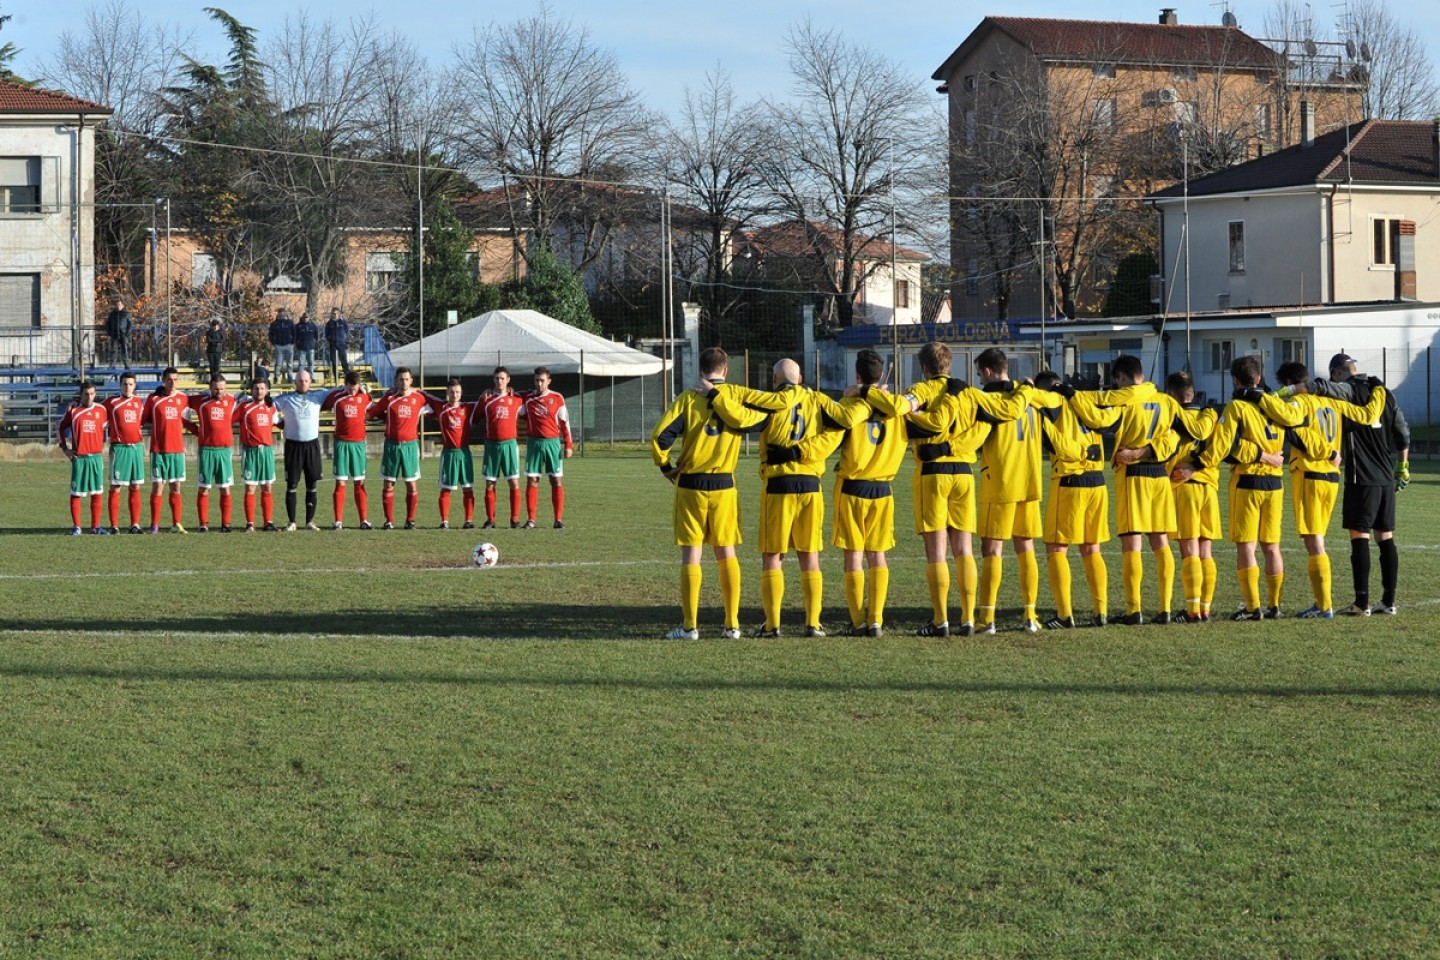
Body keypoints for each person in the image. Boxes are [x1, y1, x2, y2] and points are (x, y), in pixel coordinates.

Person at [709, 357, 868, 638]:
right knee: (810, 557)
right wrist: (866, 396)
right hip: (810, 485)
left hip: (779, 485)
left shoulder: (771, 403)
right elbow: (843, 424)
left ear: (774, 381)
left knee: (773, 556)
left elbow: (741, 419)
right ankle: (813, 624)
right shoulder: (818, 400)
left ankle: (772, 625)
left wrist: (714, 395)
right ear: (801, 377)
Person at [900, 342, 1027, 637]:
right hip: (964, 474)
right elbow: (1006, 411)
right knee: (964, 550)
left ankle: (940, 620)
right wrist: (1023, 388)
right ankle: (968, 619)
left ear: (925, 367)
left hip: (933, 473)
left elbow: (903, 410)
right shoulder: (970, 393)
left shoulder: (921, 389)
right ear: (949, 364)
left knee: (936, 552)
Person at [786, 348, 913, 637]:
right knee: (878, 555)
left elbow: (829, 440)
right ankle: (877, 620)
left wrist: (799, 453)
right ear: (881, 376)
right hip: (883, 488)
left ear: (857, 375)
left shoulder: (848, 404)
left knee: (854, 555)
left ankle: (858, 622)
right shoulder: (897, 410)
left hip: (853, 487)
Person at [650, 347, 768, 640]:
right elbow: (760, 421)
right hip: (724, 485)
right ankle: (732, 625)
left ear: (701, 372)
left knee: (692, 553)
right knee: (726, 552)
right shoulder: (736, 398)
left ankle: (690, 627)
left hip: (691, 484)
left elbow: (660, 437)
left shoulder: (689, 399)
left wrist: (665, 467)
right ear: (725, 371)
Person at [1282, 352, 1410, 616]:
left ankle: (1361, 603)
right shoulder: (1383, 393)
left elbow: (1325, 388)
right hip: (1386, 476)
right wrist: (1402, 467)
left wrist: (1291, 390)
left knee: (1359, 536)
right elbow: (1402, 432)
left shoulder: (1347, 390)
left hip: (1360, 476)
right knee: (1385, 537)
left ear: (1338, 372)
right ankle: (1389, 601)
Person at [1178, 356, 1305, 620]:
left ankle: (1252, 607)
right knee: (1272, 546)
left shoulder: (1236, 407)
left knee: (1247, 547)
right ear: (1258, 378)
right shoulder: (1278, 406)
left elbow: (1224, 446)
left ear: (1235, 381)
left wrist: (1197, 464)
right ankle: (1275, 605)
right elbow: (1293, 421)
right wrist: (1267, 455)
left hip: (1248, 482)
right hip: (1275, 483)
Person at [1069, 355, 1186, 625]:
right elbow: (1180, 433)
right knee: (1160, 543)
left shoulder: (1125, 400)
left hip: (1133, 476)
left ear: (1121, 378)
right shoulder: (1166, 401)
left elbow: (1098, 420)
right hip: (1159, 477)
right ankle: (1166, 608)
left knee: (1132, 544)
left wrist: (1073, 395)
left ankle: (1135, 610)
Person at [970, 348, 1054, 634]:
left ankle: (987, 618)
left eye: (980, 373)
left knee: (992, 549)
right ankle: (1031, 615)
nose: (980, 379)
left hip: (1001, 483)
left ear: (989, 371)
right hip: (1030, 481)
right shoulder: (1029, 397)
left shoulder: (989, 400)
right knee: (1025, 547)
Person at [1033, 371, 1120, 630]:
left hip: (1070, 480)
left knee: (1057, 549)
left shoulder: (1052, 404)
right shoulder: (1086, 400)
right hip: (1097, 481)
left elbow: (1055, 442)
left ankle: (1064, 615)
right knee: (1092, 549)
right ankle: (1100, 611)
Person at [369, 366, 433, 530]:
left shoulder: (419, 398)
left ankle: (410, 520)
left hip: (410, 446)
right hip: (392, 446)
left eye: (406, 379)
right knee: (389, 483)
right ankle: (389, 521)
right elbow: (373, 412)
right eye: (400, 379)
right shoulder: (389, 399)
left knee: (411, 484)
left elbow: (437, 405)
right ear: (396, 381)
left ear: (411, 381)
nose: (404, 382)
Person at [272, 368, 330, 531]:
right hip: (293, 446)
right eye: (300, 380)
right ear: (295, 382)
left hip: (312, 445)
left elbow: (340, 391)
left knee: (312, 483)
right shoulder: (286, 398)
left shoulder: (319, 395)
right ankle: (292, 522)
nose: (303, 383)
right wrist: (279, 421)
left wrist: (359, 389)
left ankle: (309, 521)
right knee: (292, 484)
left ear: (310, 382)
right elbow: (269, 407)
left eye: (306, 380)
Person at [141, 367, 192, 533]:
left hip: (177, 451)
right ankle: (154, 525)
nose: (172, 383)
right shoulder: (153, 399)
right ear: (163, 380)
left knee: (176, 487)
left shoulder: (183, 399)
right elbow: (143, 419)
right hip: (159, 450)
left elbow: (196, 406)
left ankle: (176, 523)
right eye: (169, 379)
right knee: (158, 487)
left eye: (175, 379)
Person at [521, 366, 573, 528]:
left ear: (549, 381)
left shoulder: (557, 398)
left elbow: (565, 422)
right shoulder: (527, 398)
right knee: (532, 479)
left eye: (542, 380)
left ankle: (558, 519)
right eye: (536, 380)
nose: (539, 384)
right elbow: (521, 413)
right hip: (534, 443)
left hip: (553, 443)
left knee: (556, 480)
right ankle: (531, 520)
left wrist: (568, 445)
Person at [186, 372, 239, 532]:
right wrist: (197, 431)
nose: (219, 392)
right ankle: (203, 524)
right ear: (210, 388)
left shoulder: (231, 401)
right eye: (216, 389)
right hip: (206, 451)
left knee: (225, 488)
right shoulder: (200, 402)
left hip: (224, 451)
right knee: (204, 488)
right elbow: (182, 405)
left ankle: (226, 524)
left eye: (222, 389)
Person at [322, 371, 375, 529]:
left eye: (355, 388)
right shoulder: (337, 397)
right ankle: (338, 521)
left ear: (359, 385)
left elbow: (374, 411)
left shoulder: (365, 397)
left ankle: (363, 520)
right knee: (341, 482)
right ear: (345, 385)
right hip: (342, 444)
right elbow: (323, 403)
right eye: (350, 388)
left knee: (359, 482)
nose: (353, 391)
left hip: (358, 444)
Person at [476, 367, 525, 529]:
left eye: (502, 378)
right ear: (493, 380)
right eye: (497, 378)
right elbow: (474, 417)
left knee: (513, 482)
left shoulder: (517, 399)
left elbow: (530, 401)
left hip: (510, 445)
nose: (499, 381)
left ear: (508, 380)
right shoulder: (486, 399)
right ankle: (491, 520)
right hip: (491, 446)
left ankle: (515, 519)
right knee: (490, 483)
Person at [58, 382, 110, 535]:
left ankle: (95, 526)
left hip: (95, 458)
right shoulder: (74, 412)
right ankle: (77, 527)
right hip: (79, 458)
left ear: (96, 394)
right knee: (76, 493)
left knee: (97, 492)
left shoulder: (101, 410)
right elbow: (60, 427)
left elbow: (107, 425)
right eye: (86, 394)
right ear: (81, 395)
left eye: (92, 393)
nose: (89, 397)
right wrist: (65, 448)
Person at [431, 377, 478, 530]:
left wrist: (487, 392)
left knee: (468, 487)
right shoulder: (441, 408)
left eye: (457, 392)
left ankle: (469, 520)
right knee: (445, 488)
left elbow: (484, 403)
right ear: (447, 393)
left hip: (464, 453)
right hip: (448, 454)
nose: (455, 394)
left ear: (461, 392)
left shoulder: (468, 408)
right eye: (452, 392)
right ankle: (444, 521)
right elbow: (425, 396)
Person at [103, 371, 146, 533]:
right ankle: (114, 525)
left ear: (135, 386)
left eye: (130, 384)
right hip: (119, 448)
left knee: (135, 487)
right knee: (116, 486)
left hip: (136, 448)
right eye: (124, 384)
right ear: (119, 385)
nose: (127, 387)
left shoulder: (139, 402)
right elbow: (96, 411)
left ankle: (135, 524)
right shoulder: (112, 402)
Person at [235, 376, 280, 532]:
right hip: (250, 451)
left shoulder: (271, 408)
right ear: (251, 390)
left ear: (267, 390)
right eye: (256, 388)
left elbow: (279, 423)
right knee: (250, 488)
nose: (259, 391)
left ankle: (268, 522)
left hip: (266, 451)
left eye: (262, 388)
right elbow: (228, 419)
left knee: (267, 487)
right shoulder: (244, 407)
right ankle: (250, 524)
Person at [268, 308, 296, 384]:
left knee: (289, 364)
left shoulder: (290, 322)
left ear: (285, 313)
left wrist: (292, 343)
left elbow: (294, 333)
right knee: (278, 364)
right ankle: (276, 378)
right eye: (280, 312)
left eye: (282, 312)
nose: (281, 314)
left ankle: (290, 378)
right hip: (278, 346)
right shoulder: (274, 324)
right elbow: (270, 335)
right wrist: (274, 343)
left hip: (288, 345)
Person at [104, 299, 132, 369]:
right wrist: (109, 332)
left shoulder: (126, 313)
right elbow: (108, 324)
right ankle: (112, 364)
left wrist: (127, 333)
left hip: (123, 334)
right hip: (114, 334)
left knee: (124, 350)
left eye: (119, 305)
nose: (118, 306)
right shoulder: (112, 314)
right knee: (113, 350)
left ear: (122, 305)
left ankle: (126, 365)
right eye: (117, 305)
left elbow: (130, 324)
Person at [325, 307, 351, 379]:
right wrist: (330, 339)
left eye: (336, 313)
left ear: (339, 314)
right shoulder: (329, 323)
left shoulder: (343, 322)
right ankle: (336, 377)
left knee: (344, 361)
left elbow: (346, 331)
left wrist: (344, 339)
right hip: (333, 344)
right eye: (333, 313)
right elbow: (326, 334)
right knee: (334, 362)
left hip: (341, 344)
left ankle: (347, 376)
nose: (335, 315)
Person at [294, 311, 320, 380]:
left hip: (311, 348)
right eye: (304, 317)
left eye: (306, 317)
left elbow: (316, 335)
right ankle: (300, 378)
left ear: (309, 318)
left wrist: (314, 342)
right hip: (301, 348)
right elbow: (295, 336)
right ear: (302, 318)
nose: (305, 318)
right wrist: (297, 344)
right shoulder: (298, 326)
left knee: (311, 364)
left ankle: (311, 377)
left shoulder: (313, 326)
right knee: (301, 364)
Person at [204, 317, 224, 381]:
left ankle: (217, 378)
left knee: (217, 365)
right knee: (212, 365)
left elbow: (223, 340)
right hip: (210, 351)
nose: (215, 326)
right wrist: (216, 341)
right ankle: (213, 378)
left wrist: (214, 341)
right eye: (214, 325)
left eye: (216, 325)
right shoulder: (209, 332)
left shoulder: (221, 331)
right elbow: (208, 340)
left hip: (218, 351)